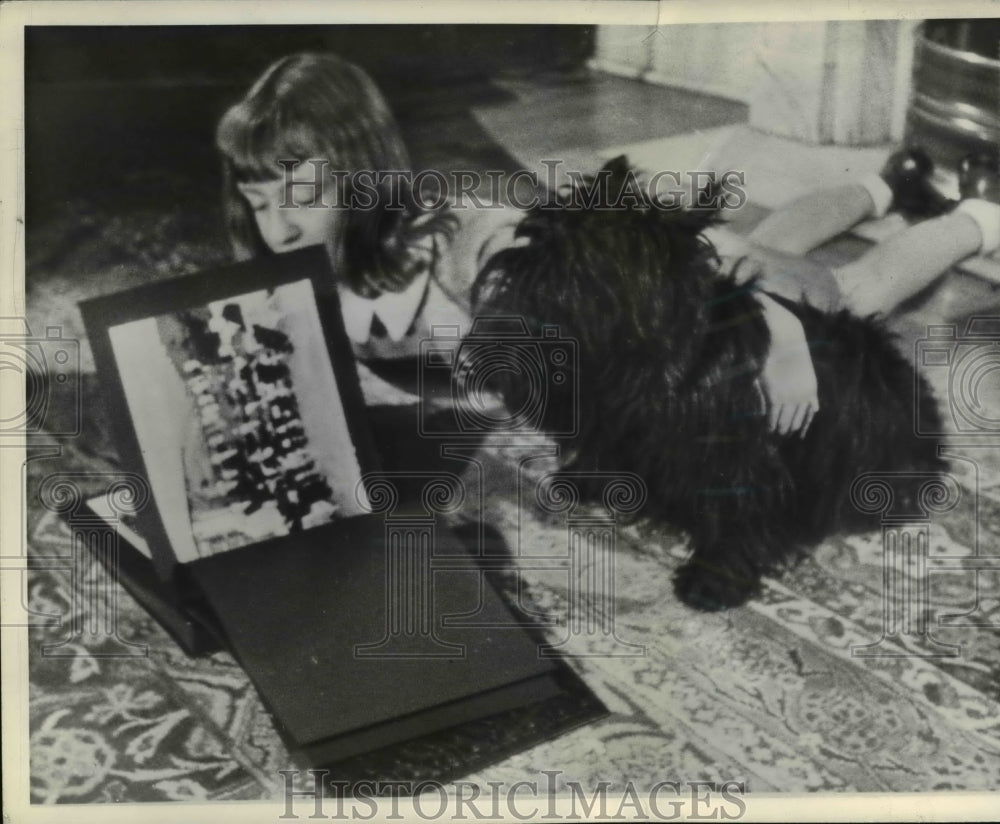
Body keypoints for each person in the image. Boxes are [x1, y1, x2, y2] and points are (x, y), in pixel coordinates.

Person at [213, 51, 821, 435]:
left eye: (302, 198)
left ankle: (887, 192)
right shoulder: (293, 271)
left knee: (834, 287)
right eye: (260, 202)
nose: (279, 230)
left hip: (641, 267)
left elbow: (673, 280)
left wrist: (786, 336)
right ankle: (886, 185)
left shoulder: (471, 251)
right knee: (768, 238)